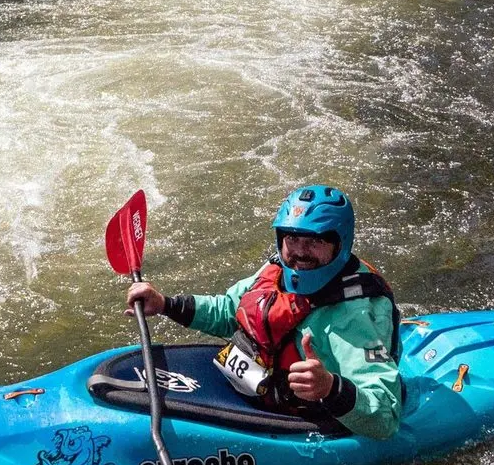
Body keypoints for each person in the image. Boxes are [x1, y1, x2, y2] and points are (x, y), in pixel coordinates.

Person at [123, 185, 403, 441]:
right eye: (292, 238)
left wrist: (329, 387)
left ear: (339, 243)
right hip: (257, 391)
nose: (300, 252)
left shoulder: (357, 315)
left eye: (315, 241)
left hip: (305, 417)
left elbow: (386, 419)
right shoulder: (277, 271)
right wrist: (165, 304)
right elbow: (230, 311)